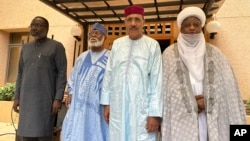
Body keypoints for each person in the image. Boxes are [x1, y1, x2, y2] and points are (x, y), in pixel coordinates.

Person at [161, 7, 246, 141]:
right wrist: (191, 103)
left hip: (211, 115)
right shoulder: (169, 54)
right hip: (182, 118)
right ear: (180, 28)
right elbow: (164, 90)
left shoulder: (216, 53)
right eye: (187, 25)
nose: (192, 28)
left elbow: (229, 88)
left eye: (196, 24)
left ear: (201, 27)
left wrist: (208, 101)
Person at [100, 5, 163, 141]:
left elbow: (157, 80)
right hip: (118, 106)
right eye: (129, 20)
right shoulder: (117, 44)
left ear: (143, 22)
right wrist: (107, 104)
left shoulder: (152, 45)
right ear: (125, 22)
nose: (133, 24)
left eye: (137, 20)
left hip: (142, 109)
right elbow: (108, 74)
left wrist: (154, 113)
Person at [12, 16, 67, 141]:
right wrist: (17, 97)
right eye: (32, 25)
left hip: (45, 101)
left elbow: (62, 73)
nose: (34, 28)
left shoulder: (56, 47)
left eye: (38, 25)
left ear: (46, 28)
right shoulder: (25, 48)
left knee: (43, 134)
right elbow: (20, 73)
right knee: (25, 135)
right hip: (26, 101)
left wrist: (58, 98)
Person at [61, 23, 109, 141]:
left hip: (99, 107)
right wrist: (70, 92)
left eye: (97, 33)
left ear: (104, 37)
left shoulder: (110, 57)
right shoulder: (81, 57)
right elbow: (73, 77)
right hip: (79, 106)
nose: (93, 35)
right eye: (91, 33)